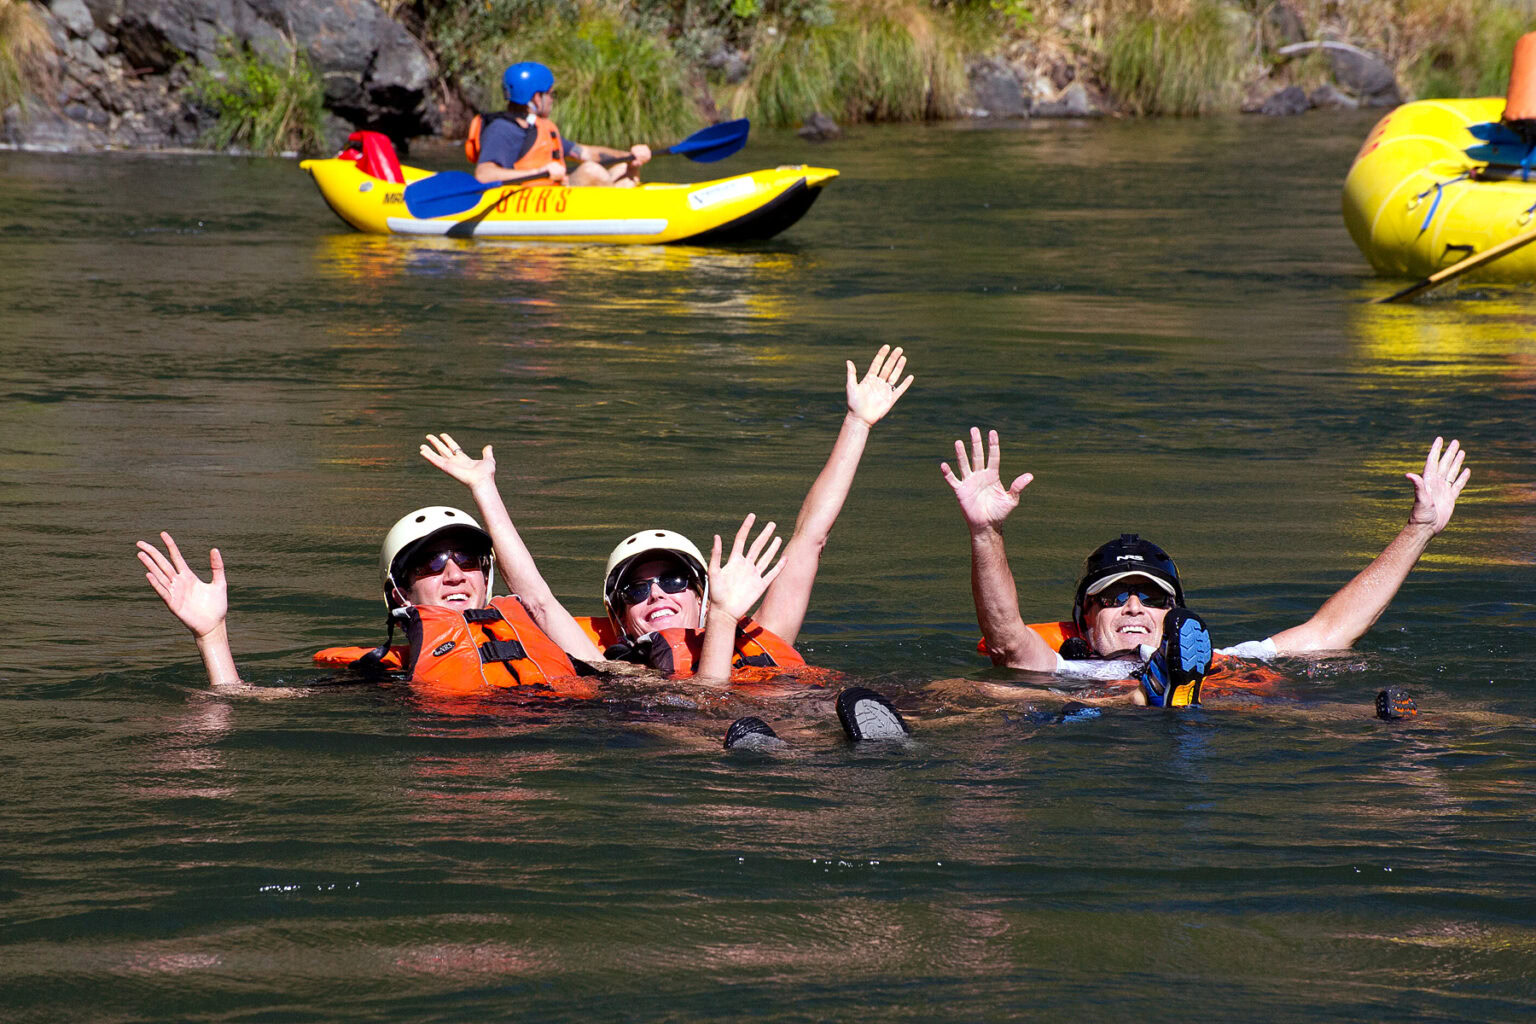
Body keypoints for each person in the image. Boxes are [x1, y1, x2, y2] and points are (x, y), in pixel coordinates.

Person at [420, 345, 916, 687]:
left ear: (701, 595)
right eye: (636, 590)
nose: (656, 593)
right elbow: (539, 600)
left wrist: (857, 423)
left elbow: (810, 538)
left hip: (801, 708)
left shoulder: (767, 633)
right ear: (618, 616)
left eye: (676, 581)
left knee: (969, 698)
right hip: (715, 739)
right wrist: (484, 487)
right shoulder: (609, 669)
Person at [941, 430, 1470, 706]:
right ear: (1083, 618)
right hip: (1100, 715)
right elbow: (1007, 637)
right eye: (1112, 597)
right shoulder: (1066, 669)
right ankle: (1160, 692)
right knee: (984, 695)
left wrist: (1418, 529)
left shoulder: (1222, 659)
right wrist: (985, 532)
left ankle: (1171, 692)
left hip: (1210, 717)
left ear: (1177, 617)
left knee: (1308, 710)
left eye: (1151, 598)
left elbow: (1330, 631)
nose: (1132, 606)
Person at [135, 506, 589, 698]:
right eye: (430, 564)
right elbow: (246, 701)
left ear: (487, 576)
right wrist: (212, 634)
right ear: (399, 593)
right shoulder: (385, 677)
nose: (453, 573)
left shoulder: (562, 643)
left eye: (468, 559)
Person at [472, 61, 652, 189]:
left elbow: (587, 153)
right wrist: (540, 171)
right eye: (550, 94)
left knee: (621, 168)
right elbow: (484, 174)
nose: (552, 100)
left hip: (551, 192)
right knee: (591, 172)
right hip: (523, 200)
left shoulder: (540, 128)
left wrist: (629, 156)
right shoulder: (503, 129)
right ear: (536, 98)